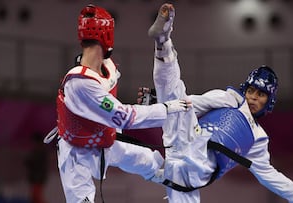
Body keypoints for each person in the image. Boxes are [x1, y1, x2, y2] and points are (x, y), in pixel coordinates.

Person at [141, 3, 293, 203]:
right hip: (185, 142)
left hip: (195, 174)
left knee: (170, 114)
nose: (253, 97)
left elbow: (269, 175)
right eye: (251, 91)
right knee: (176, 96)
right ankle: (163, 40)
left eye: (261, 95)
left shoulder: (258, 139)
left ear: (269, 101)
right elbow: (192, 103)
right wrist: (161, 104)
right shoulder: (232, 99)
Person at [54, 4, 191, 203]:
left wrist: (149, 104)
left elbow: (107, 107)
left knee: (148, 162)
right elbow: (126, 117)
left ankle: (174, 183)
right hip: (77, 152)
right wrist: (165, 108)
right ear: (107, 35)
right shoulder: (80, 83)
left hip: (104, 137)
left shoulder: (107, 68)